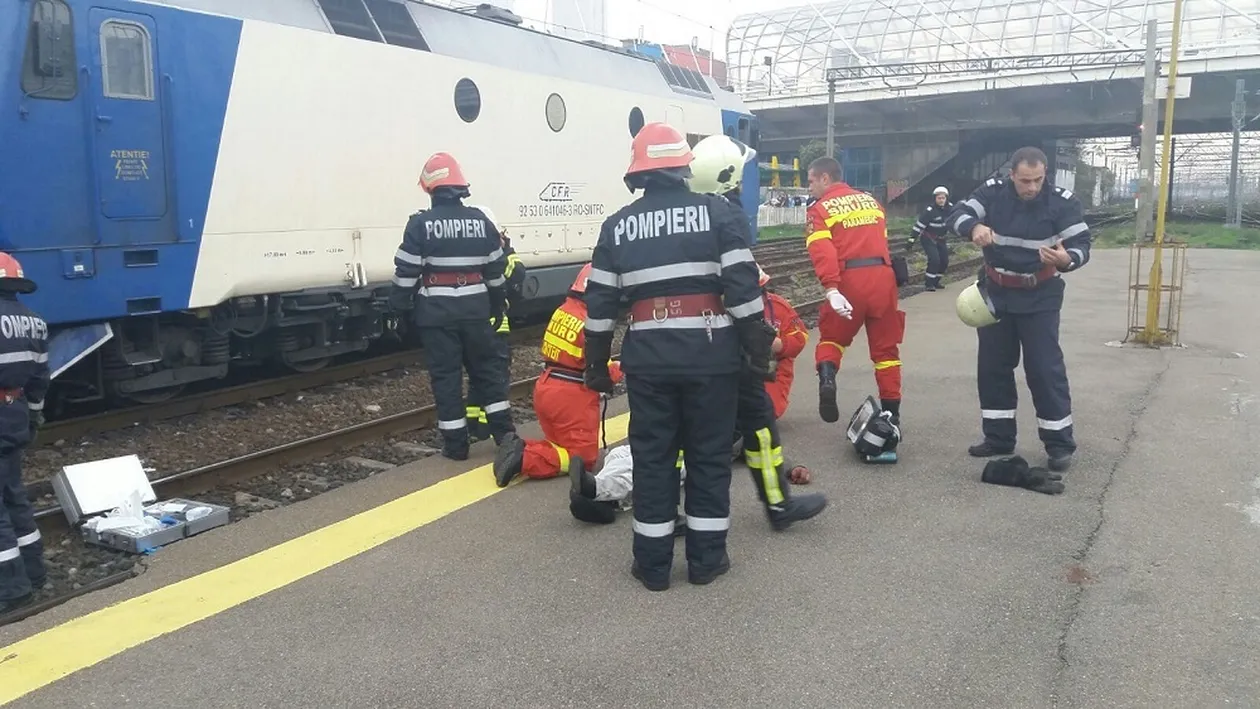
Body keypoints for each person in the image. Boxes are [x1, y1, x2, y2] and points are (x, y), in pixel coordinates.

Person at [582, 122, 774, 591]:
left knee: (653, 459)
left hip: (649, 360)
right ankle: (707, 562)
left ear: (639, 172)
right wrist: (755, 346)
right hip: (713, 357)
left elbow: (601, 305)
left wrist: (594, 367)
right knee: (708, 458)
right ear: (682, 168)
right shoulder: (719, 215)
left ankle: (652, 567)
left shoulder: (617, 226)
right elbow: (743, 291)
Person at [686, 134, 826, 526]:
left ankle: (679, 513)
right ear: (727, 178)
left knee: (737, 424)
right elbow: (741, 290)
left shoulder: (689, 215)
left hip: (698, 342)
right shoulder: (726, 219)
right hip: (727, 344)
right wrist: (759, 341)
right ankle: (777, 506)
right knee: (754, 424)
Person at [947, 146, 1091, 472]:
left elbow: (1082, 245)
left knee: (1044, 369)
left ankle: (1058, 444)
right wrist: (973, 228)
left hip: (1041, 294)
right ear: (1012, 175)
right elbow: (956, 213)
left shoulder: (1062, 202)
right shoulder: (993, 193)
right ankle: (998, 438)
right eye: (1025, 181)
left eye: (1038, 180)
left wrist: (1068, 259)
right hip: (996, 292)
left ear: (1045, 176)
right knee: (993, 368)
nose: (1031, 187)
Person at [390, 152, 515, 461]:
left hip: (436, 316)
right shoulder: (480, 222)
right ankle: (506, 436)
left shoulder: (420, 225)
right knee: (487, 375)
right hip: (476, 311)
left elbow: (406, 274)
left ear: (430, 189)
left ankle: (456, 446)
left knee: (446, 380)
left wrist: (398, 310)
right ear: (461, 187)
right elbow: (496, 272)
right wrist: (497, 306)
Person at [492, 264, 623, 487]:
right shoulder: (592, 322)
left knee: (559, 446)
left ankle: (520, 446)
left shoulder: (564, 310)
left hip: (546, 387)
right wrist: (628, 365)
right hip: (572, 399)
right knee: (583, 458)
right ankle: (524, 459)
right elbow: (602, 372)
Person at [804, 157, 906, 439]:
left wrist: (832, 288)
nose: (809, 186)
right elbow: (881, 240)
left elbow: (823, 251)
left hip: (850, 281)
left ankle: (827, 378)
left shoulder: (820, 210)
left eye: (811, 180)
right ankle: (891, 413)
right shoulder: (871, 202)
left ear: (825, 178)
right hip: (883, 279)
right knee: (886, 352)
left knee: (832, 339)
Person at [0, 253, 49, 613]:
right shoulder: (35, 322)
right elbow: (39, 380)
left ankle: (12, 589)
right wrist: (32, 417)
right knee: (14, 494)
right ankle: (33, 570)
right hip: (15, 413)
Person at [464, 206, 526, 442]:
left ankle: (473, 424)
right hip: (494, 326)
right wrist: (507, 248)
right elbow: (517, 273)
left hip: (473, 326)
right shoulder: (496, 253)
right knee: (495, 379)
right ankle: (487, 427)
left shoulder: (468, 253)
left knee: (477, 377)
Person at [911, 186, 953, 291]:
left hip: (941, 239)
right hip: (928, 238)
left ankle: (936, 281)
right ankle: (929, 283)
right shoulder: (930, 211)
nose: (941, 200)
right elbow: (919, 226)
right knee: (935, 260)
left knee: (944, 261)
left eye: (943, 198)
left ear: (946, 198)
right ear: (935, 198)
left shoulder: (950, 208)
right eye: (939, 198)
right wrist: (911, 240)